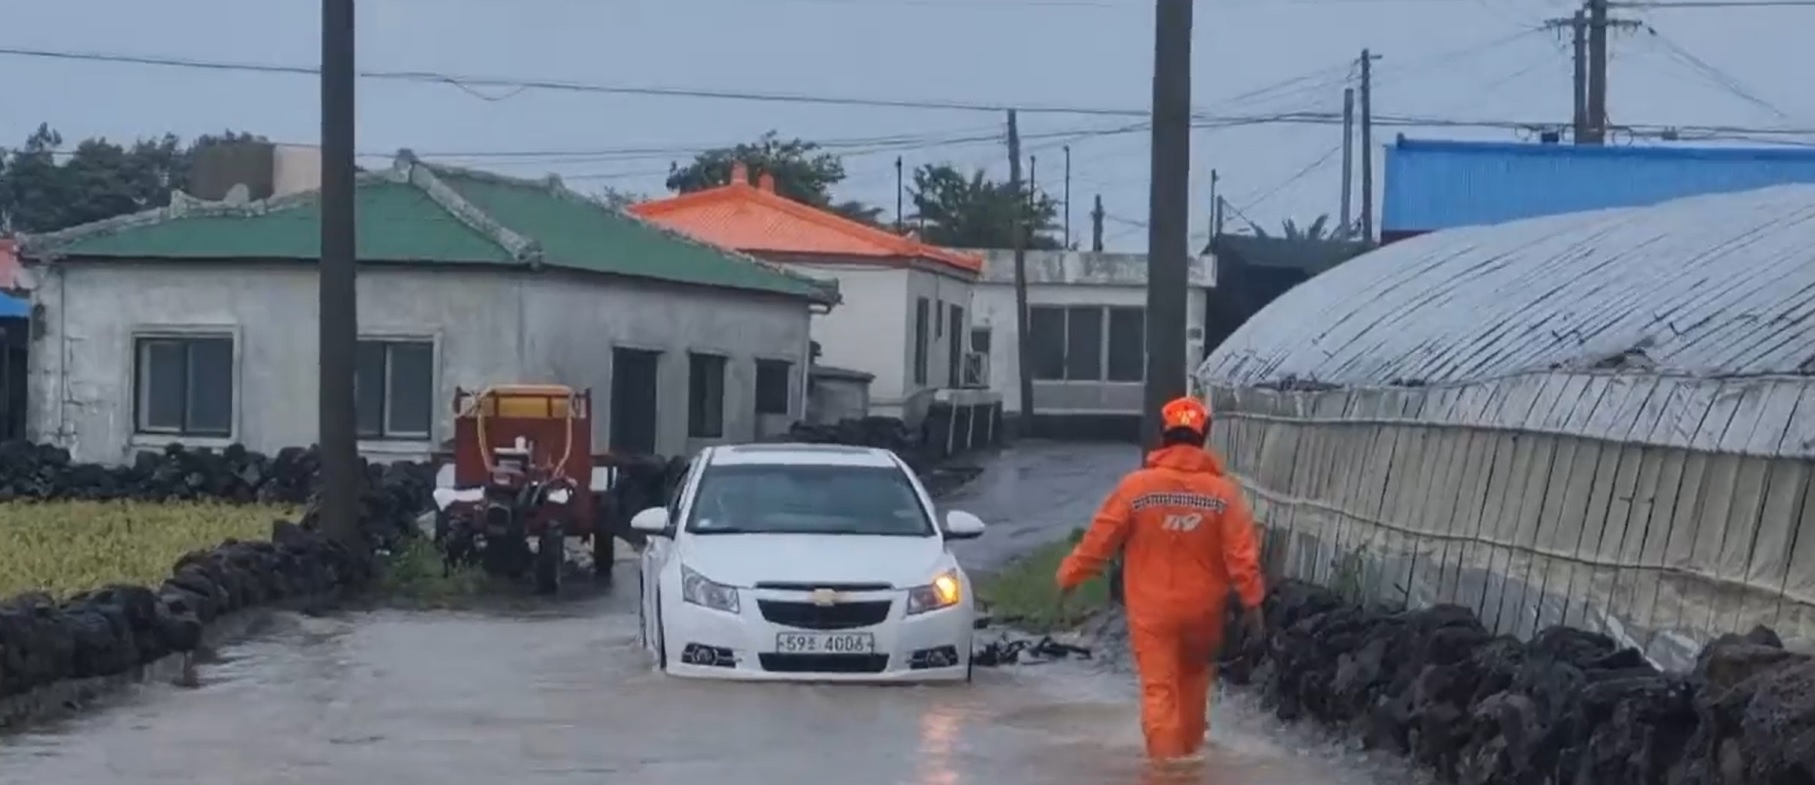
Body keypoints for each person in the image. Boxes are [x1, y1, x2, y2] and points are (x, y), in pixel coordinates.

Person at [1054, 395, 1266, 762]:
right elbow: (1242, 558)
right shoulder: (1224, 495)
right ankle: (1189, 759)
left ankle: (1165, 770)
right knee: (1194, 688)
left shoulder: (1136, 489)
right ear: (1204, 437)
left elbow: (1099, 542)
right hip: (1204, 612)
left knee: (1159, 692)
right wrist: (1253, 604)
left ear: (1163, 435)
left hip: (1152, 615)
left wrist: (1069, 578)